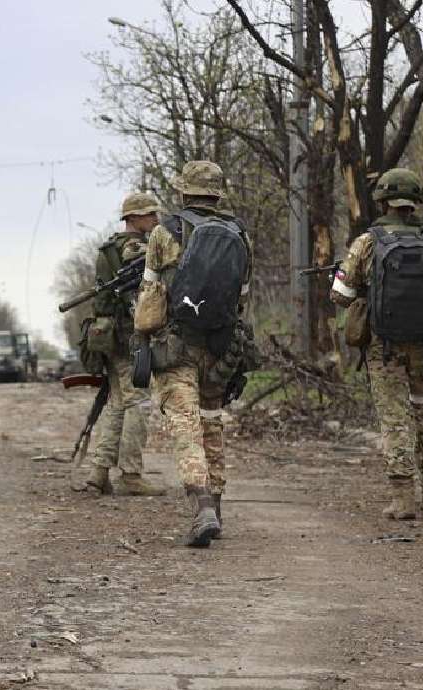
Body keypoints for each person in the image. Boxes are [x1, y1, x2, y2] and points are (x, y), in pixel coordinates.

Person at [330, 167, 423, 519]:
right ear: (415, 201)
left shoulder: (367, 242)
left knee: (394, 418)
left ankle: (403, 498)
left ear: (382, 201)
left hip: (384, 347)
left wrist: (361, 285)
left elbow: (340, 295)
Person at [134, 161, 253, 548]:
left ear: (183, 191)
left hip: (176, 345)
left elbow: (150, 295)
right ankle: (215, 506)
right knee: (212, 421)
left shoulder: (164, 232)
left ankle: (201, 507)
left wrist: (144, 338)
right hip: (220, 346)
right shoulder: (239, 234)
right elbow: (242, 297)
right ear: (217, 194)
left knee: (186, 426)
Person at [82, 192, 165, 496]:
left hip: (108, 336)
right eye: (150, 214)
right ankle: (131, 474)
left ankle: (98, 472)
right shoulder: (135, 247)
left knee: (118, 404)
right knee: (139, 401)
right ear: (133, 217)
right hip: (128, 335)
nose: (155, 219)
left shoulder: (108, 248)